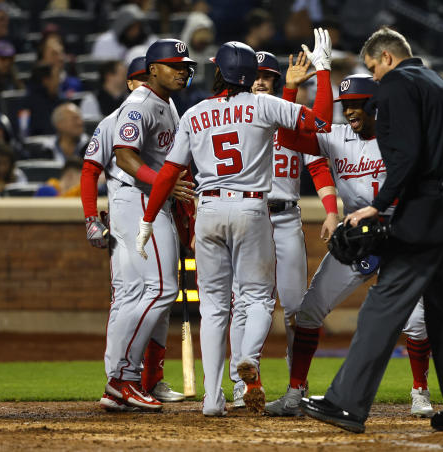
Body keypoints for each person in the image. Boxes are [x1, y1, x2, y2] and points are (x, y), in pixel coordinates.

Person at [136, 33, 333, 416]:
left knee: (213, 308)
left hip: (207, 209)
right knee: (258, 298)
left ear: (220, 72)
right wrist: (323, 71)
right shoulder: (263, 104)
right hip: (250, 209)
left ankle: (212, 398)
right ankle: (248, 359)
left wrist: (147, 221)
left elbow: (169, 173)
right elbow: (321, 122)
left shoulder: (194, 112)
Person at [300, 26, 443, 434]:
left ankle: (346, 403)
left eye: (373, 68)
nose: (375, 80)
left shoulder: (398, 84)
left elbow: (406, 155)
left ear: (386, 57)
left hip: (424, 209)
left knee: (383, 303)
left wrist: (379, 206)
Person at [265, 73, 434, 419]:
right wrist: (300, 86)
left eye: (357, 104)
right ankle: (296, 391)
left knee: (417, 320)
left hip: (398, 235)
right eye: (346, 105)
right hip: (357, 235)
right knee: (309, 311)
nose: (351, 111)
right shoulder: (337, 135)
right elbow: (286, 135)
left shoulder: (401, 137)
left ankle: (420, 392)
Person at [80, 56, 192, 412]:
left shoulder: (168, 106)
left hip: (151, 199)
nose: (181, 72)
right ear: (134, 81)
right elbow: (92, 169)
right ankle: (122, 378)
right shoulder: (127, 113)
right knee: (153, 290)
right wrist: (89, 218)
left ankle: (137, 379)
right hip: (136, 199)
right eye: (139, 77)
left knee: (138, 294)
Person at [228, 50, 338, 409]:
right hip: (248, 216)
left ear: (276, 81)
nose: (260, 81)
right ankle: (242, 385)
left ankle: (296, 386)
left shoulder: (288, 116)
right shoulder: (236, 114)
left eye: (268, 76)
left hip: (286, 217)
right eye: (255, 75)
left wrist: (331, 211)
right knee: (242, 305)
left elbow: (319, 165)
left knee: (295, 309)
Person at [91, 4, 157, 62]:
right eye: (131, 27)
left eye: (138, 26)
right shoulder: (105, 42)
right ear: (123, 26)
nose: (135, 31)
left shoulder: (150, 40)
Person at [23, 64, 62, 137]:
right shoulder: (34, 103)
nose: (59, 82)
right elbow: (48, 131)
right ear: (46, 80)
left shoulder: (56, 99)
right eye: (56, 77)